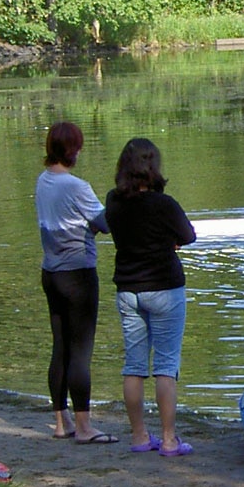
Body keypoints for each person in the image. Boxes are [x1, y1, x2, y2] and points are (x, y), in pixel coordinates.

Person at [105, 137, 197, 457]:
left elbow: (120, 232)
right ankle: (169, 439)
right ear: (153, 166)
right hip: (165, 288)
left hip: (128, 290)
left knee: (133, 366)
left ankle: (139, 435)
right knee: (165, 366)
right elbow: (188, 236)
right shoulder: (164, 204)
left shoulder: (113, 201)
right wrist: (168, 239)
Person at [35, 121, 116, 443]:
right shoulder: (76, 186)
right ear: (71, 150)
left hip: (50, 273)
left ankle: (61, 421)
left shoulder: (43, 181)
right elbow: (105, 223)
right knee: (81, 351)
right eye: (78, 146)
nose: (80, 152)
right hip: (78, 275)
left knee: (61, 347)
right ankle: (84, 427)